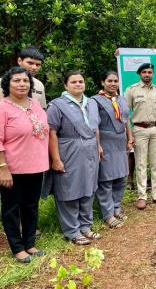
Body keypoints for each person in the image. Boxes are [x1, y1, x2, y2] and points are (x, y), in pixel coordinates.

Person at [0, 67, 49, 262]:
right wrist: (3, 169)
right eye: (16, 81)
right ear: (7, 84)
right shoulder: (2, 107)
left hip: (36, 165)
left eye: (25, 81)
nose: (22, 84)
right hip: (12, 168)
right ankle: (17, 248)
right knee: (12, 208)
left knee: (31, 206)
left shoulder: (35, 104)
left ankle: (30, 244)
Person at [47, 71, 101, 245]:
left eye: (81, 81)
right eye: (74, 82)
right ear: (66, 85)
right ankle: (72, 231)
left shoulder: (91, 103)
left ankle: (85, 226)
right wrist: (55, 159)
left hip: (90, 150)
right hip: (68, 151)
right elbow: (51, 132)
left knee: (88, 188)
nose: (78, 84)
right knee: (69, 189)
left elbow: (96, 128)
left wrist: (98, 145)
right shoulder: (57, 105)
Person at [92, 71, 133, 228]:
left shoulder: (121, 100)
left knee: (120, 178)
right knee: (106, 179)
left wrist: (130, 137)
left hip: (120, 142)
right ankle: (107, 214)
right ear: (103, 82)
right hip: (105, 142)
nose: (113, 83)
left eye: (115, 81)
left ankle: (116, 206)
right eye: (109, 81)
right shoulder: (95, 101)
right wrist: (98, 144)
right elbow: (94, 124)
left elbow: (126, 121)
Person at [125, 63, 156, 209]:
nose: (147, 74)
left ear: (153, 74)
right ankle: (142, 196)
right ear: (139, 74)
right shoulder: (131, 90)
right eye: (144, 72)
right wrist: (129, 134)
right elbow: (125, 114)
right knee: (141, 163)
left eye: (150, 72)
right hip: (139, 129)